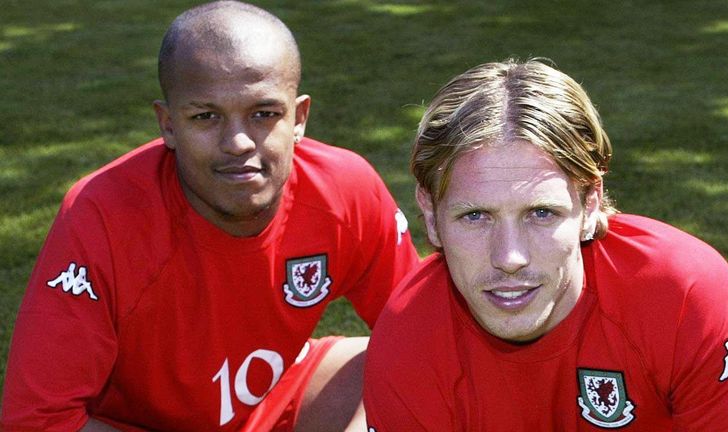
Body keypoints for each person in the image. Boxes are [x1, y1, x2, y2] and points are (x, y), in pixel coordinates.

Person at [1, 1, 419, 431]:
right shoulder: (103, 213)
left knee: (392, 363)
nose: (237, 141)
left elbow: (425, 333)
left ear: (299, 117)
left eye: (264, 114)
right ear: (167, 125)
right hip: (136, 424)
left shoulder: (343, 190)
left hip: (277, 396)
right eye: (205, 116)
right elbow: (37, 420)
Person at [363, 59, 728, 431]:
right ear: (431, 215)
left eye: (541, 213)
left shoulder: (681, 297)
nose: (509, 258)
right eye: (475, 216)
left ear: (590, 203)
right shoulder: (408, 344)